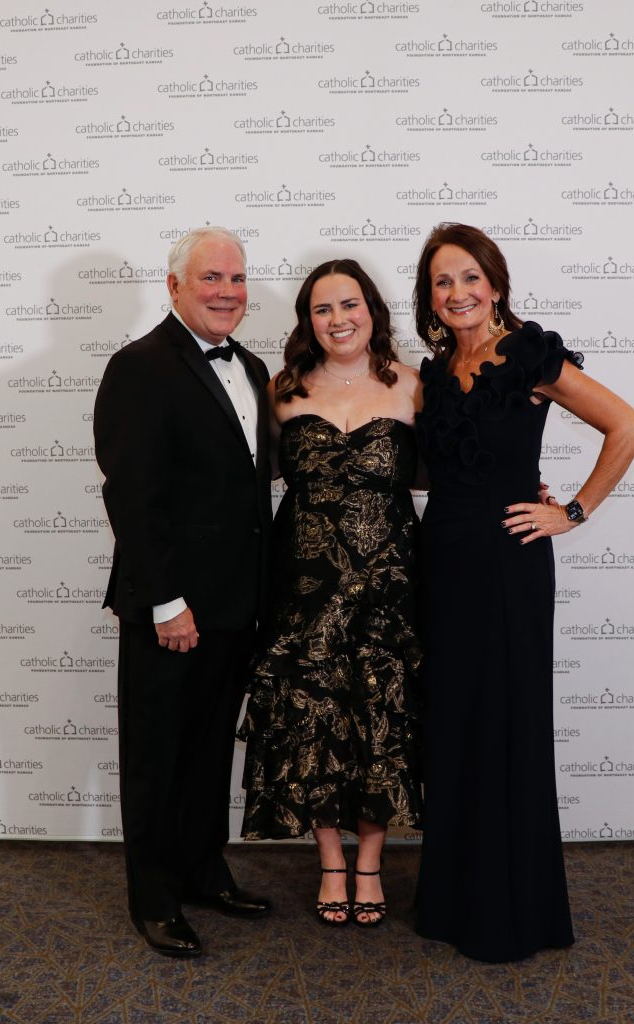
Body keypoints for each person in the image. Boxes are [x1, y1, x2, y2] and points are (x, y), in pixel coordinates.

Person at [413, 223, 634, 962]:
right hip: (441, 560)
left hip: (508, 563)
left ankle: (509, 909)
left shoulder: (529, 355)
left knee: (505, 721)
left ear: (495, 284)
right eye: (442, 281)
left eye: (469, 277)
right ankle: (452, 899)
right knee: (453, 722)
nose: (457, 293)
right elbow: (434, 469)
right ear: (429, 296)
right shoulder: (433, 371)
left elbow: (627, 426)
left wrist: (570, 510)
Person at [93, 226, 273, 958]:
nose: (227, 292)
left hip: (236, 602)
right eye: (211, 278)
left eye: (236, 278)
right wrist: (167, 602)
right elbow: (131, 496)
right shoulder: (139, 366)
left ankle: (203, 870)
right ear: (173, 286)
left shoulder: (254, 366)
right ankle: (154, 897)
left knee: (207, 751)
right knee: (155, 755)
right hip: (171, 608)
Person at [238, 259, 423, 927]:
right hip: (305, 587)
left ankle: (369, 863)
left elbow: (453, 472)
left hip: (388, 585)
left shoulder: (412, 384)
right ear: (306, 321)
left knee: (380, 716)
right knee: (313, 717)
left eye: (350, 305)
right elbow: (241, 480)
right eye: (322, 309)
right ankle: (330, 863)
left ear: (372, 310)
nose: (338, 319)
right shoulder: (280, 389)